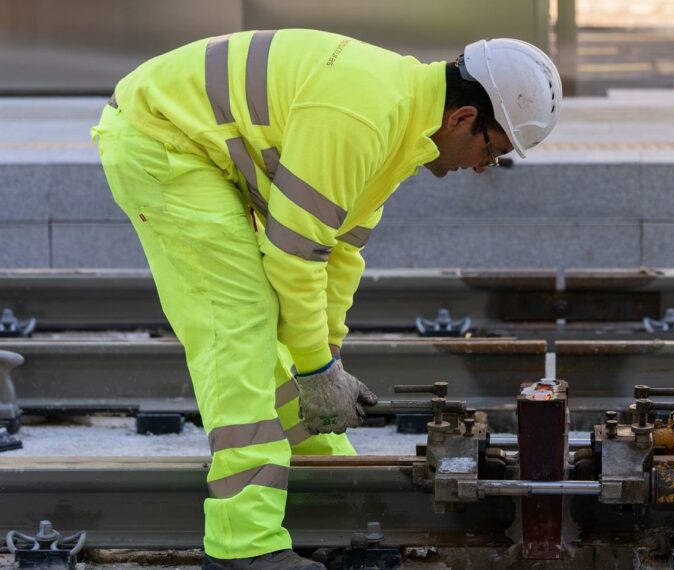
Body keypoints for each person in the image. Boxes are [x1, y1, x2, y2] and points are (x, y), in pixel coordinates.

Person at [91, 29, 562, 569]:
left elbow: (339, 256)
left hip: (200, 148)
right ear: (461, 119)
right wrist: (316, 370)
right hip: (164, 140)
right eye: (493, 151)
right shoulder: (366, 117)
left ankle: (328, 500)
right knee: (238, 329)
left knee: (277, 335)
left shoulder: (403, 123)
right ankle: (242, 547)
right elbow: (294, 258)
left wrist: (328, 362)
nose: (483, 167)